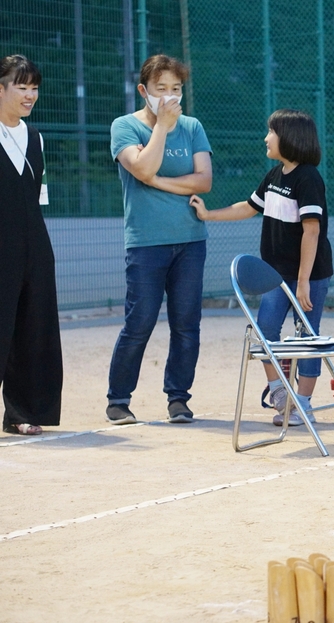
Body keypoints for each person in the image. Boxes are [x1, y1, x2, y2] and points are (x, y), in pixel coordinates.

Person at [190, 109, 331, 427]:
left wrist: (304, 282)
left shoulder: (309, 178)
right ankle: (282, 393)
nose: (266, 138)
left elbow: (312, 231)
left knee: (307, 340)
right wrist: (208, 214)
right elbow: (249, 206)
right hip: (275, 276)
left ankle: (303, 405)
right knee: (265, 331)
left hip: (309, 276)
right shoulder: (274, 175)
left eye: (271, 132)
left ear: (290, 138)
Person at [106, 54, 212, 425]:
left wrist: (159, 183)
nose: (169, 97)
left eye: (176, 89)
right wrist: (162, 128)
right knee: (140, 322)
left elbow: (204, 181)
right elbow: (143, 167)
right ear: (143, 90)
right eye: (161, 89)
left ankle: (178, 399)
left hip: (190, 240)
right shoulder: (124, 127)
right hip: (146, 241)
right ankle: (118, 399)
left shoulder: (193, 126)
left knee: (187, 323)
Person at [0, 54, 62, 436]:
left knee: (33, 327)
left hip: (35, 244)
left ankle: (21, 411)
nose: (30, 94)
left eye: (34, 87)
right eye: (21, 86)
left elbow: (38, 195)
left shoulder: (35, 137)